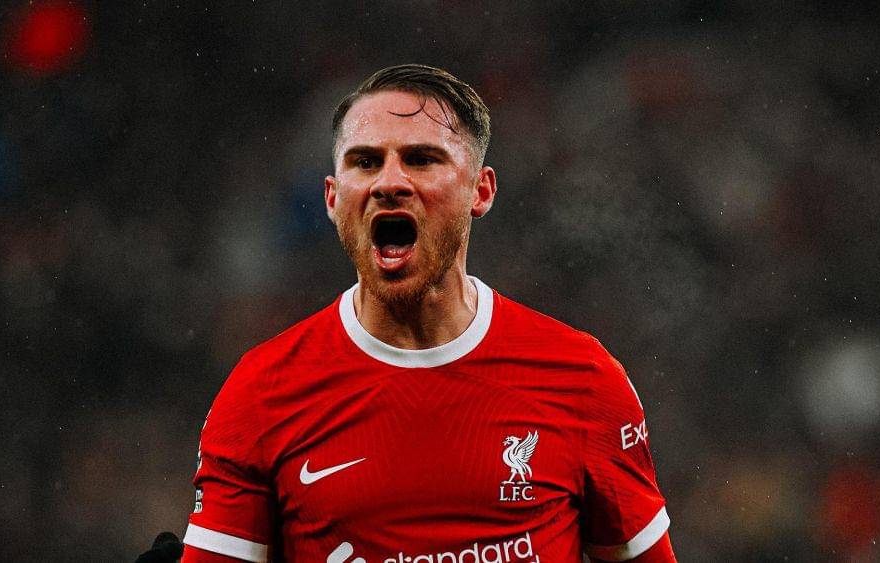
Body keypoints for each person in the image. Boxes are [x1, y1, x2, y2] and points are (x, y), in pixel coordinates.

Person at [165, 64, 675, 562]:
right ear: (332, 198)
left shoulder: (583, 379)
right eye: (366, 162)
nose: (389, 182)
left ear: (480, 190)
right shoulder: (260, 394)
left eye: (421, 159)